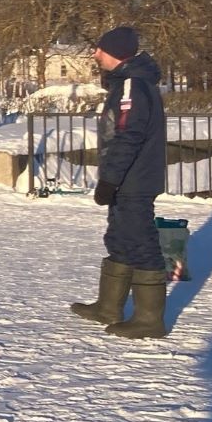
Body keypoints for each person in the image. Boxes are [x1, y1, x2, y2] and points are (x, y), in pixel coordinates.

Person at [69, 26, 170, 338]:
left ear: (116, 53)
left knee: (140, 242)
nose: (96, 54)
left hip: (134, 181)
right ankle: (109, 307)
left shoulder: (131, 86)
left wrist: (109, 180)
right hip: (128, 180)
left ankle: (149, 320)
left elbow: (128, 136)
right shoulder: (128, 83)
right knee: (120, 238)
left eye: (101, 49)